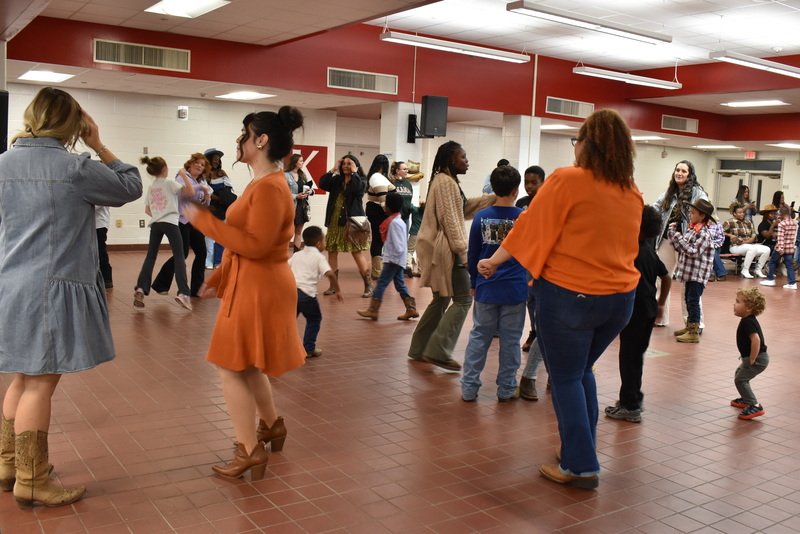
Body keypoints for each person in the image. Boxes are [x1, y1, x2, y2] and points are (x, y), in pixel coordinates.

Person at [478, 109, 643, 490]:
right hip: (620, 301)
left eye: (576, 140)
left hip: (570, 297)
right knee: (581, 371)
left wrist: (493, 260)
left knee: (566, 376)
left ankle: (581, 466)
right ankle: (578, 448)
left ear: (586, 144)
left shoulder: (568, 179)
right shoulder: (630, 189)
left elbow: (529, 228)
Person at [0, 87, 142, 507]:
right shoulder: (74, 168)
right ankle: (32, 479)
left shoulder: (3, 164)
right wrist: (98, 142)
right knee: (41, 385)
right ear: (72, 123)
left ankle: (9, 464)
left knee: (22, 378)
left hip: (11, 285)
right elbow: (130, 185)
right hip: (51, 289)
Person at [182, 106, 306, 480]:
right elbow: (249, 246)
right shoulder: (261, 183)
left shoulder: (270, 186)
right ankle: (270, 427)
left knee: (230, 366)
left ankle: (248, 449)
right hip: (253, 281)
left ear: (261, 139)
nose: (238, 140)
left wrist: (201, 218)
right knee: (246, 363)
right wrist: (219, 276)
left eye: (243, 134)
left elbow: (255, 244)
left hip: (260, 286)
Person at [407, 141, 495, 371]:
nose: (467, 161)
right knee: (464, 298)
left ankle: (418, 348)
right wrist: (464, 253)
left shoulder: (445, 180)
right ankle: (438, 350)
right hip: (444, 249)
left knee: (441, 298)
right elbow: (451, 222)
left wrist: (492, 199)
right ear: (450, 159)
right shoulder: (445, 182)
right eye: (463, 157)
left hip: (437, 246)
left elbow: (462, 209)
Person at [461, 165, 527, 402]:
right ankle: (507, 389)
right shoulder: (522, 218)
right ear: (516, 190)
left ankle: (469, 387)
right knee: (511, 340)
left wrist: (473, 280)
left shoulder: (481, 216)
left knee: (479, 336)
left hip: (486, 286)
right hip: (515, 289)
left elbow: (474, 254)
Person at [605, 206, 671, 422]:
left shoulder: (630, 250)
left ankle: (630, 406)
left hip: (634, 312)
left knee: (628, 358)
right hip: (649, 310)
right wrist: (660, 304)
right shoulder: (649, 251)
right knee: (636, 357)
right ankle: (632, 397)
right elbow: (667, 277)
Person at [133, 156, 195, 311]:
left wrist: (158, 215)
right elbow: (190, 192)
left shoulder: (152, 187)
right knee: (180, 256)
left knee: (151, 256)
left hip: (155, 224)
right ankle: (183, 293)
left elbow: (147, 209)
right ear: (165, 169)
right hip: (171, 223)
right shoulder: (170, 183)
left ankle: (140, 288)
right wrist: (183, 175)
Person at [653, 160, 707, 327]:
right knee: (661, 277)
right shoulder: (670, 191)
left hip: (686, 242)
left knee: (687, 283)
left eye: (684, 171)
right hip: (667, 240)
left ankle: (693, 322)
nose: (679, 173)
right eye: (677, 170)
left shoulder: (697, 192)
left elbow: (705, 211)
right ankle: (660, 318)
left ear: (690, 175)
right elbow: (656, 207)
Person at [151, 153, 211, 296]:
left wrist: (207, 196)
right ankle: (160, 284)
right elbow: (185, 195)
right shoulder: (181, 178)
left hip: (193, 221)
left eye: (202, 165)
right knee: (182, 253)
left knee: (202, 252)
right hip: (180, 220)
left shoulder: (200, 182)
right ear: (190, 164)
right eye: (197, 162)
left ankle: (196, 289)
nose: (199, 166)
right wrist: (202, 189)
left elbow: (203, 204)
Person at [357, 192, 418, 321]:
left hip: (393, 260)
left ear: (388, 207)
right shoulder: (398, 221)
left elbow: (399, 245)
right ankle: (411, 309)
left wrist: (392, 259)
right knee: (400, 284)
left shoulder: (395, 223)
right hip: (397, 260)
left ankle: (373, 310)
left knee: (381, 283)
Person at [319, 155, 372, 298]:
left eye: (350, 164)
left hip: (351, 222)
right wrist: (333, 169)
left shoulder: (361, 180)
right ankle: (333, 285)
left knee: (356, 252)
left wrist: (354, 173)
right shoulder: (337, 180)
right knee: (332, 251)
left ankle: (368, 285)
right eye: (344, 164)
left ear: (356, 165)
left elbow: (359, 190)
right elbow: (322, 184)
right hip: (334, 221)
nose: (346, 166)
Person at [289, 226, 343, 357]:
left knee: (289, 321)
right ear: (318, 244)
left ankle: (282, 346)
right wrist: (338, 290)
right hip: (307, 295)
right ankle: (308, 348)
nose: (325, 244)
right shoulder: (319, 257)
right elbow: (330, 273)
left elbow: (285, 269)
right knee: (314, 319)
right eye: (324, 241)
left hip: (292, 293)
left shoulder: (297, 254)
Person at [668, 199, 715, 343]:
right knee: (688, 300)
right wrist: (672, 233)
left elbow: (693, 252)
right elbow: (679, 247)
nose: (690, 214)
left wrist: (678, 237)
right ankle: (689, 327)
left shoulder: (704, 234)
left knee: (693, 301)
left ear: (702, 216)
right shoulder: (692, 230)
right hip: (689, 274)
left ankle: (694, 331)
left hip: (697, 275)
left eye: (693, 212)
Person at [515, 165, 546, 355]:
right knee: (530, 298)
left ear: (543, 182)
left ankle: (544, 334)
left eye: (534, 182)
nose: (529, 186)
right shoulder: (521, 203)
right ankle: (534, 331)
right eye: (526, 182)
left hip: (543, 260)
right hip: (525, 259)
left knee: (542, 298)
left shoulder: (548, 202)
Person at [731, 288, 769, 420]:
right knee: (739, 374)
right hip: (753, 357)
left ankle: (754, 405)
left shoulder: (748, 322)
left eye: (738, 302)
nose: (734, 304)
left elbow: (756, 340)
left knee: (740, 379)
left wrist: (752, 358)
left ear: (749, 308)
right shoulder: (747, 320)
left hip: (758, 358)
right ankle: (746, 398)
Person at [205, 148, 237, 268]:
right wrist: (219, 197)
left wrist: (222, 198)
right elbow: (206, 192)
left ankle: (219, 261)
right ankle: (208, 261)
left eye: (218, 160)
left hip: (222, 209)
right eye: (214, 160)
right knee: (209, 235)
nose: (216, 162)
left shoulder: (222, 173)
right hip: (210, 207)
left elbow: (231, 190)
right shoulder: (204, 175)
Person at [365, 155, 395, 279]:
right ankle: (377, 271)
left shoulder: (377, 177)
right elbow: (383, 199)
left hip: (376, 211)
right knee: (378, 240)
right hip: (379, 212)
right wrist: (390, 214)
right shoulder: (377, 177)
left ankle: (378, 270)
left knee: (379, 240)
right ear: (384, 165)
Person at [723, 203, 770, 279]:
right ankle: (745, 270)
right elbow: (720, 231)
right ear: (734, 213)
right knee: (752, 248)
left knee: (767, 249)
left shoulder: (748, 222)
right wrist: (730, 235)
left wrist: (746, 242)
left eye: (743, 212)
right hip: (735, 246)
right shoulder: (730, 222)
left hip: (748, 244)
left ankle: (758, 270)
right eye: (739, 212)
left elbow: (754, 236)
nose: (742, 214)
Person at [760, 206, 798, 290]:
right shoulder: (794, 223)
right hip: (790, 247)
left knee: (772, 262)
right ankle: (792, 283)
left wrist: (781, 248)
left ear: (781, 213)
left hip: (781, 248)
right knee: (789, 265)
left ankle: (770, 279)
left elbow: (781, 237)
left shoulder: (782, 224)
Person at [285, 154, 313, 252]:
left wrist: (310, 191)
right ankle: (283, 254)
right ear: (295, 162)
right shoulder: (286, 175)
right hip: (291, 207)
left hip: (302, 206)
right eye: (301, 161)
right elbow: (283, 192)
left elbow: (309, 188)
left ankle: (296, 254)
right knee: (288, 232)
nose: (302, 162)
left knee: (298, 232)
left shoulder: (303, 175)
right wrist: (295, 196)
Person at [94, 206, 113, 288]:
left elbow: (95, 205)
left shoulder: (102, 193)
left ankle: (107, 279)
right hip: (95, 224)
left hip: (99, 224)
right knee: (98, 251)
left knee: (101, 251)